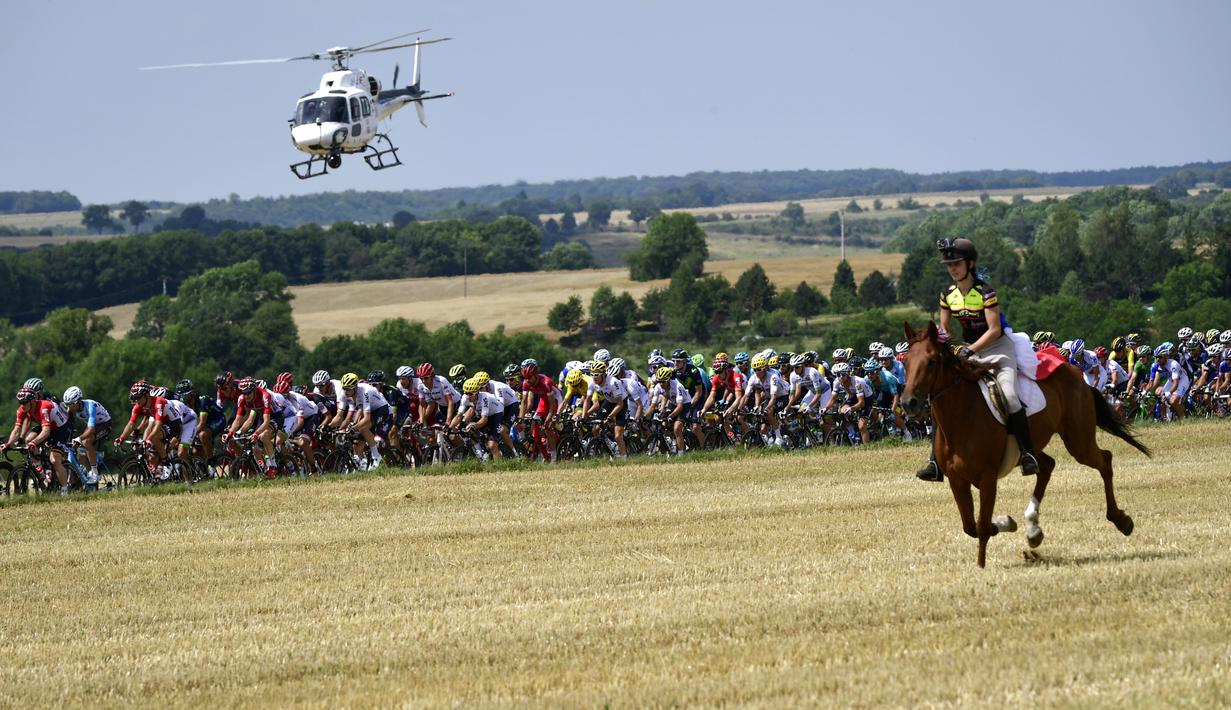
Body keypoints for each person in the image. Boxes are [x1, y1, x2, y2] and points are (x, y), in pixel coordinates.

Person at [919, 237, 1040, 482]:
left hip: (998, 349)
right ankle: (935, 461)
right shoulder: (947, 294)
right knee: (940, 398)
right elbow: (944, 329)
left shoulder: (986, 292)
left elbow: (994, 330)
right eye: (949, 264)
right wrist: (942, 344)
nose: (952, 268)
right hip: (968, 351)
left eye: (957, 263)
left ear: (970, 264)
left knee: (1010, 396)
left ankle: (1028, 455)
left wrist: (969, 349)